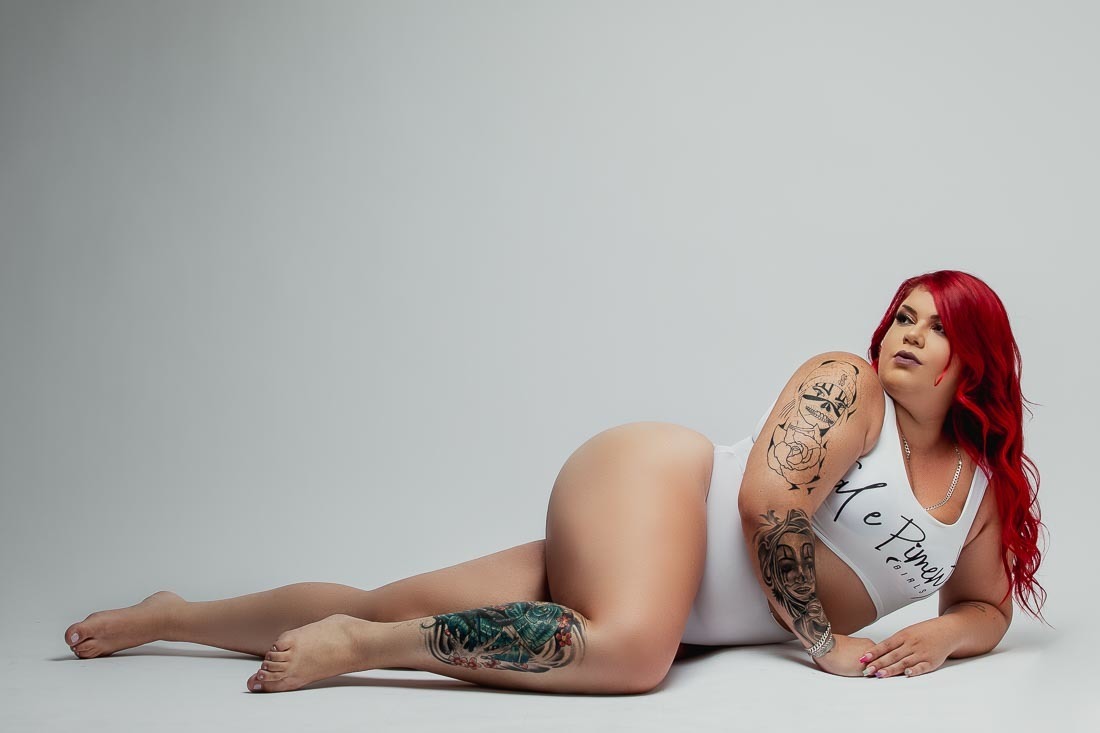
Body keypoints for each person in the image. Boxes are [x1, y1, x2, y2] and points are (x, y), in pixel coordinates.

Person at [63, 269, 1047, 694]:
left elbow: (984, 607)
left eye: (936, 327)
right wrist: (825, 644)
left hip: (655, 583)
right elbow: (764, 505)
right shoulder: (850, 386)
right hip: (655, 493)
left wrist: (939, 636)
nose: (907, 335)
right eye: (903, 315)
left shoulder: (978, 492)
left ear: (977, 359)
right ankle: (365, 650)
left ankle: (176, 616)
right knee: (634, 653)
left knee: (382, 590)